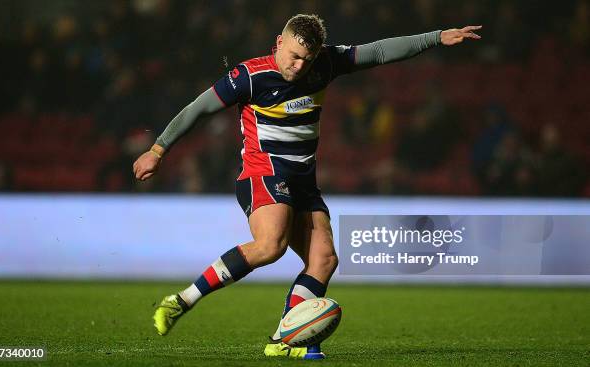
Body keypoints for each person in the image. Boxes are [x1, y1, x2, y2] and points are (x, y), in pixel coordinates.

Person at [133, 14, 481, 360]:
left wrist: (436, 37)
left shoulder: (326, 63)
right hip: (263, 173)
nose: (299, 66)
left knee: (324, 259)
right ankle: (181, 301)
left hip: (303, 181)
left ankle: (283, 340)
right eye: (294, 56)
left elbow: (378, 52)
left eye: (306, 59)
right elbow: (199, 108)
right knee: (271, 245)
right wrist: (158, 149)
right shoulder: (249, 76)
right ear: (279, 42)